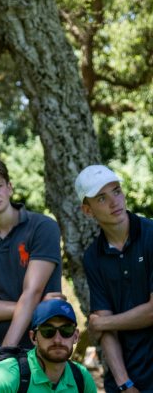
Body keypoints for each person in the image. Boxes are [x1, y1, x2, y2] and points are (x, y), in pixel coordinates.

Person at [0, 156, 62, 377]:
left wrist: (4, 353)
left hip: (43, 352)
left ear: (10, 188)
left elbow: (33, 291)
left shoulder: (43, 227)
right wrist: (37, 308)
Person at [77, 164, 152, 393]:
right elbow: (105, 329)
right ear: (87, 210)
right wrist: (125, 383)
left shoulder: (151, 235)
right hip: (125, 379)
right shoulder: (93, 257)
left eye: (117, 191)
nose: (114, 202)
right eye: (101, 198)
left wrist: (103, 323)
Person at [0, 299, 96, 392]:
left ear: (75, 336)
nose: (57, 340)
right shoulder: (6, 378)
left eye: (66, 330)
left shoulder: (82, 378)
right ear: (33, 337)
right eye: (48, 330)